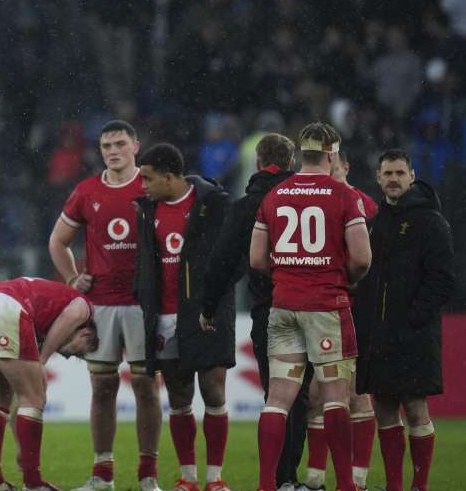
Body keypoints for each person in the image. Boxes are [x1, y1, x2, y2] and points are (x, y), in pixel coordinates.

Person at [250, 122, 372, 491]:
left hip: (284, 305)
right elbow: (363, 258)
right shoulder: (343, 196)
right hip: (326, 305)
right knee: (336, 396)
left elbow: (256, 259)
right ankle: (345, 485)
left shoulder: (274, 195)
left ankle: (266, 484)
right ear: (332, 153)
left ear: (302, 152)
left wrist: (288, 275)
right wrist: (342, 278)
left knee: (278, 399)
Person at [49, 120, 162, 491]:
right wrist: (71, 279)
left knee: (146, 387)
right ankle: (103, 474)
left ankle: (148, 475)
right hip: (102, 305)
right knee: (103, 388)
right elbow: (58, 241)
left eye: (119, 144)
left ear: (135, 146)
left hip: (144, 304)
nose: (112, 151)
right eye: (106, 146)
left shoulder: (151, 188)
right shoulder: (87, 191)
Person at [200, 134, 307, 491]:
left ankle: (278, 480)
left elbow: (223, 261)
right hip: (317, 308)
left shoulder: (248, 206)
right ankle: (299, 477)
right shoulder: (310, 200)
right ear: (292, 162)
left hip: (271, 311)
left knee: (276, 397)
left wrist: (209, 305)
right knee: (309, 398)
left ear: (258, 162)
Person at [354, 150, 455, 491]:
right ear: (378, 178)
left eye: (400, 172)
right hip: (378, 334)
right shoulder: (374, 220)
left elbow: (443, 278)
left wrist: (414, 317)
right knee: (384, 409)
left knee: (415, 408)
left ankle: (419, 486)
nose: (394, 179)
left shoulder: (431, 220)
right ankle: (395, 485)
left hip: (414, 334)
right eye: (388, 173)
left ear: (412, 176)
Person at [134, 144, 232, 491]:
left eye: (147, 178)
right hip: (164, 316)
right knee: (179, 397)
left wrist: (214, 304)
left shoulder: (213, 204)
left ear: (169, 177)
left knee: (213, 391)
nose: (141, 184)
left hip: (206, 314)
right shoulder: (147, 210)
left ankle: (215, 478)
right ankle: (188, 478)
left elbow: (231, 257)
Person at [299, 153, 380, 491]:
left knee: (356, 392)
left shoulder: (366, 206)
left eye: (333, 168)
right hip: (317, 308)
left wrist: (341, 282)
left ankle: (356, 480)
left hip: (354, 310)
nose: (326, 174)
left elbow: (370, 261)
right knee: (318, 394)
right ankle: (316, 478)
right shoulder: (310, 201)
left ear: (345, 167)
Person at [0, 277, 99, 491]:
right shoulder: (84, 308)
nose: (69, 355)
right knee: (34, 398)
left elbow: (19, 403)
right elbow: (71, 315)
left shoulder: (44, 319)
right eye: (78, 351)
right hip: (8, 307)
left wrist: (20, 445)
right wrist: (42, 360)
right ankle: (33, 483)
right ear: (86, 333)